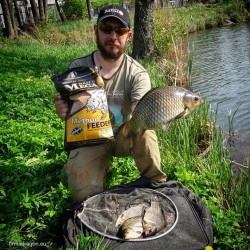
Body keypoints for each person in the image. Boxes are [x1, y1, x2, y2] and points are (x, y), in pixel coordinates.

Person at [53, 4, 167, 202]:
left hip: (124, 136)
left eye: (120, 30)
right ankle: (93, 165)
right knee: (80, 197)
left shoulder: (137, 74)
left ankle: (155, 183)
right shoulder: (78, 67)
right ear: (96, 31)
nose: (113, 36)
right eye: (106, 29)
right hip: (90, 138)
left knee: (145, 131)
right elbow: (71, 111)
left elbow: (142, 110)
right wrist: (65, 111)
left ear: (128, 35)